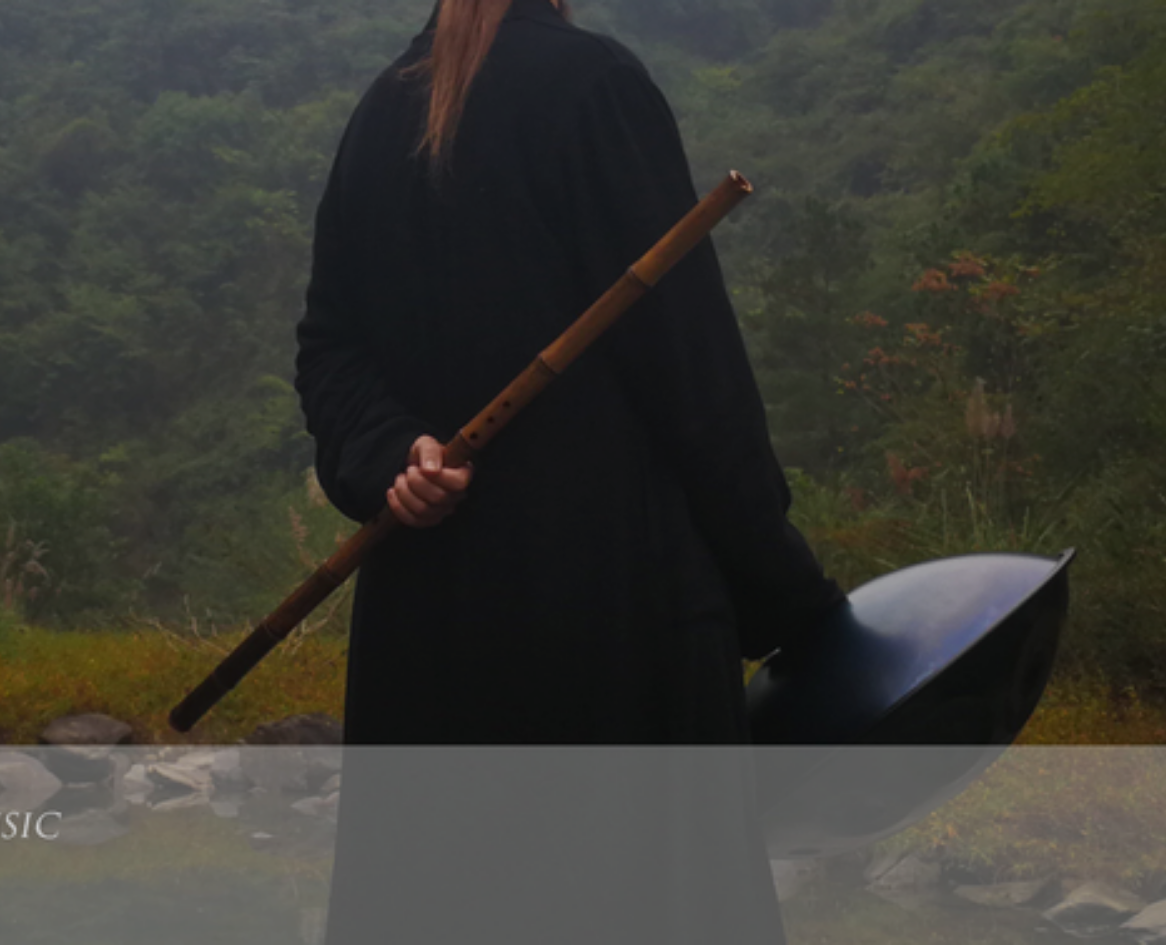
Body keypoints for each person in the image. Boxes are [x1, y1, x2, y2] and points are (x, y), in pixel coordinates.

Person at [293, 1, 848, 942]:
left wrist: (394, 453)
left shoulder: (379, 112)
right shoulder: (596, 87)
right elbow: (694, 378)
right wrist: (796, 604)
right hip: (610, 622)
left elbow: (330, 352)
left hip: (428, 635)